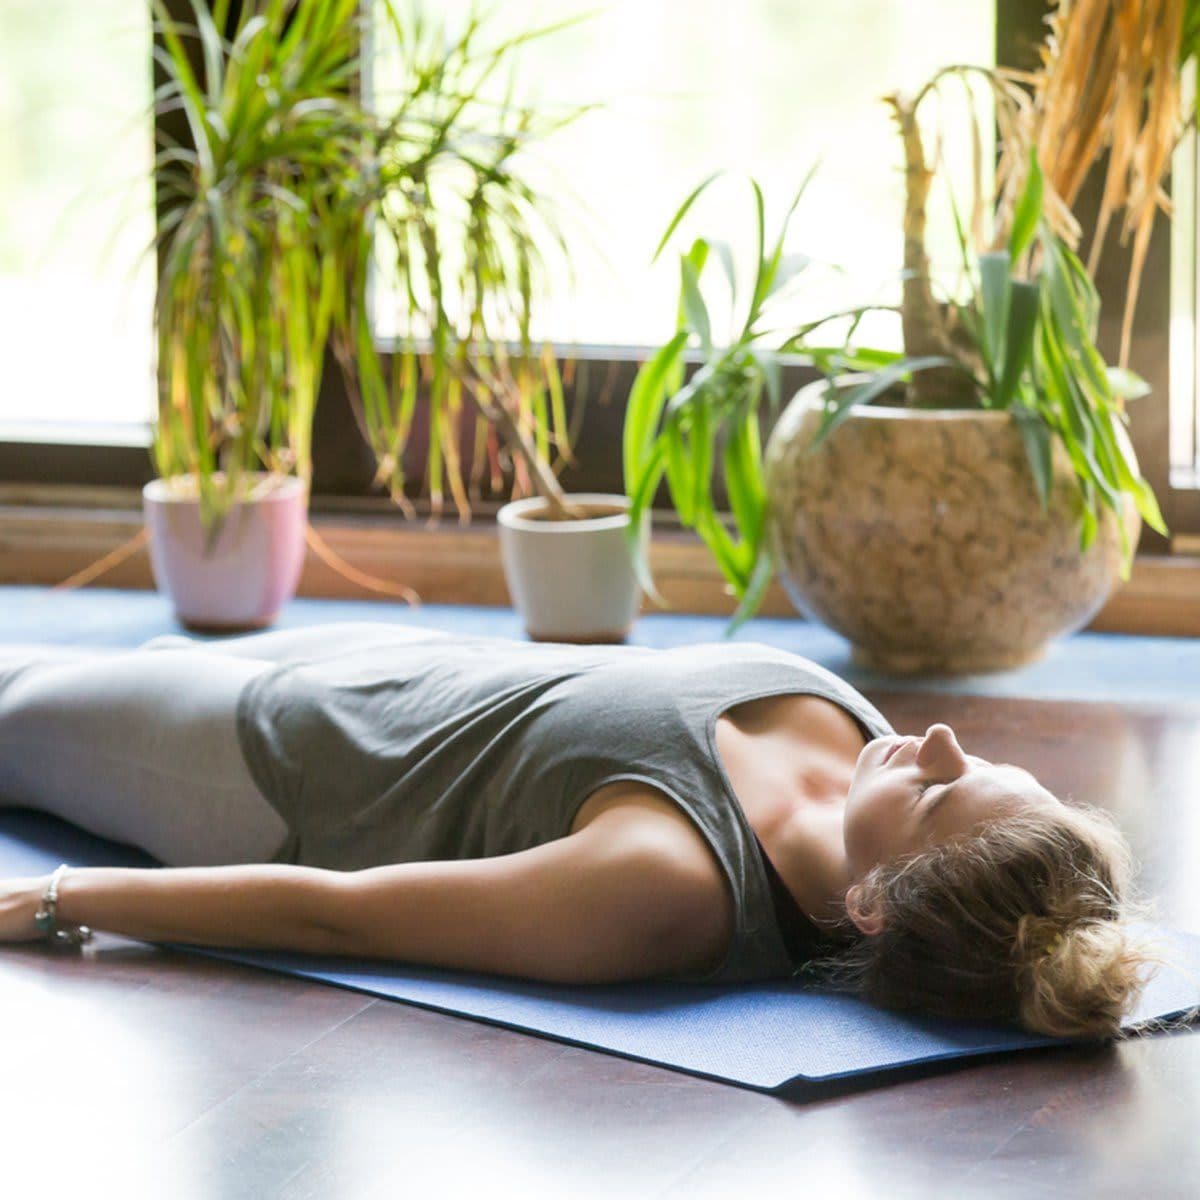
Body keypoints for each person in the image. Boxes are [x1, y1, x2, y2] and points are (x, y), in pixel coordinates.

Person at [0, 621, 1152, 1039]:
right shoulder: (867, 772)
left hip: (266, 765)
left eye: (945, 792)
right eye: (988, 766)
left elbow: (335, 912)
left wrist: (66, 898)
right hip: (386, 665)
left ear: (873, 908)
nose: (943, 741)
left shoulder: (662, 887)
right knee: (101, 661)